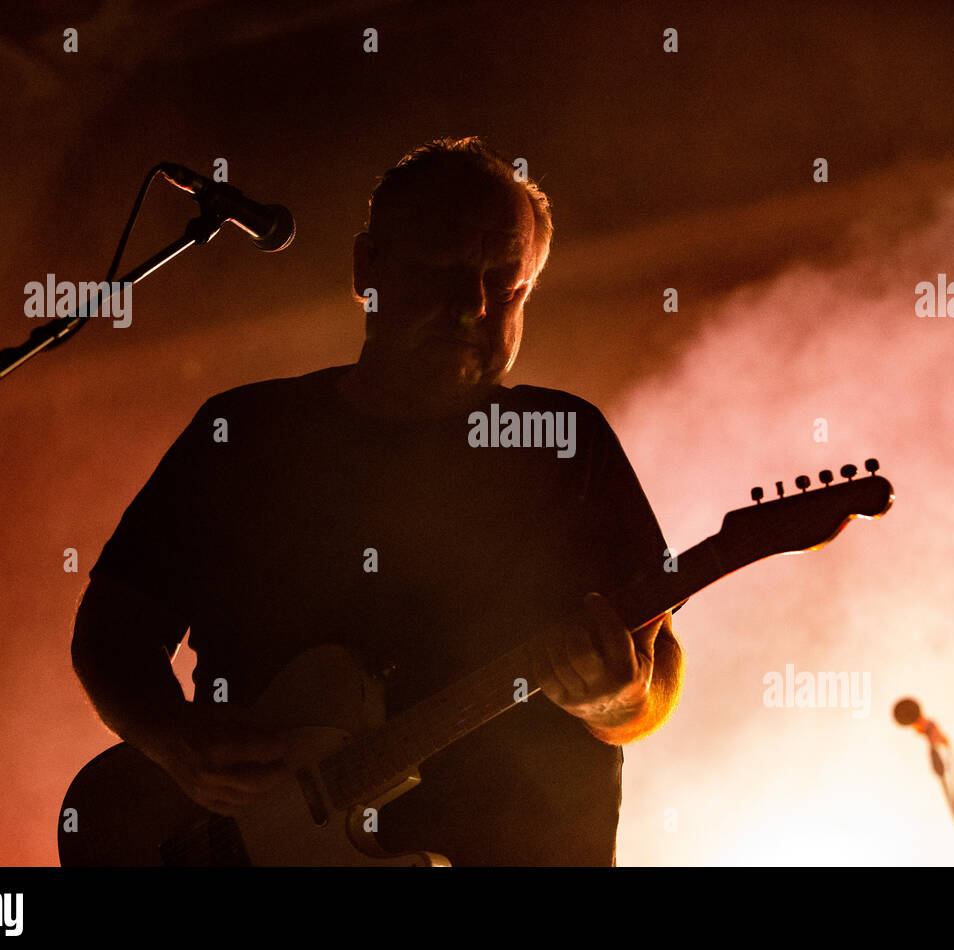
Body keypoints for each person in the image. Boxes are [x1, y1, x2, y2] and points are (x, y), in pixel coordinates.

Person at [71, 136, 684, 865]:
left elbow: (657, 669)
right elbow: (112, 631)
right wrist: (174, 742)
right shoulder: (246, 434)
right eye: (442, 273)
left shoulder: (564, 439)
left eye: (506, 284)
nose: (473, 307)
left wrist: (615, 699)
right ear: (368, 268)